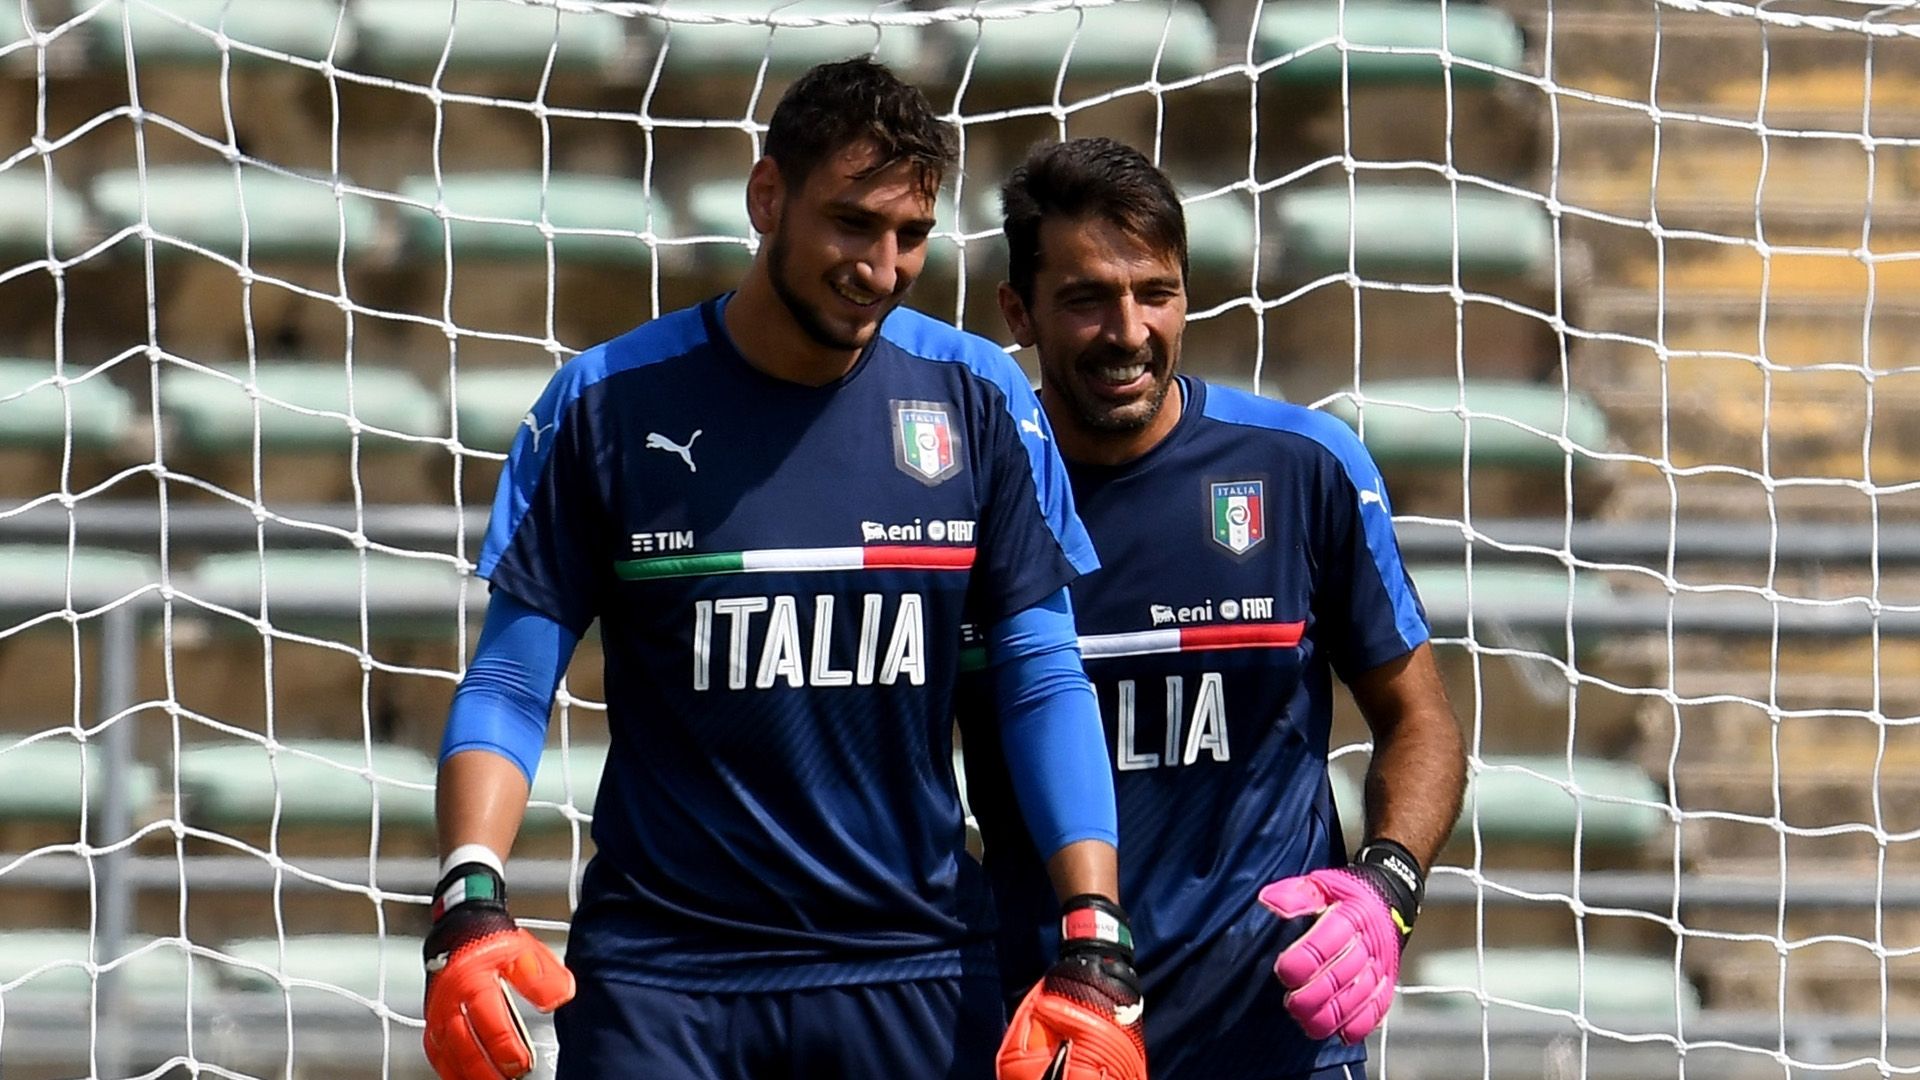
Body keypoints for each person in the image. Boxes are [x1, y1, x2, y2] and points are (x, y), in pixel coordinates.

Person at [420, 61, 1146, 1080]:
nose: (883, 267)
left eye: (911, 236)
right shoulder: (605, 405)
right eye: (853, 223)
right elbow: (508, 680)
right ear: (769, 199)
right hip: (663, 982)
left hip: (914, 970)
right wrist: (469, 889)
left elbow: (1040, 673)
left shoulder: (978, 396)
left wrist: (1095, 930)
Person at [959, 136, 1469, 1080]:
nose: (1127, 331)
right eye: (1085, 300)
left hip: (1276, 1032)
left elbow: (1420, 720)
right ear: (1016, 312)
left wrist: (1385, 886)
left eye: (1155, 292)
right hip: (1059, 1034)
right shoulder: (972, 496)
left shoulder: (1302, 468)